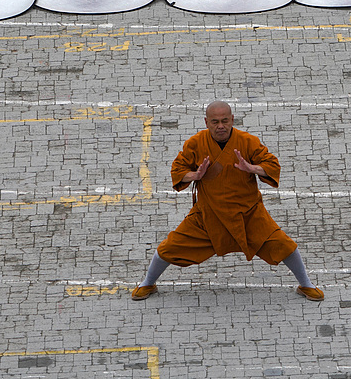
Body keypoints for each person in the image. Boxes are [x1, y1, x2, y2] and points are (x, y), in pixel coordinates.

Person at [132, 99, 323, 301]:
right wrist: (195, 176)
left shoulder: (248, 142)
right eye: (215, 122)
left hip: (248, 214)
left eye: (225, 120)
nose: (220, 126)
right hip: (208, 215)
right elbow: (178, 170)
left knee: (285, 246)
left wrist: (252, 168)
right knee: (168, 248)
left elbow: (271, 164)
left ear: (232, 120)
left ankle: (305, 284)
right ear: (206, 122)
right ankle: (148, 283)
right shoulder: (195, 143)